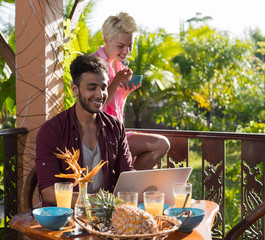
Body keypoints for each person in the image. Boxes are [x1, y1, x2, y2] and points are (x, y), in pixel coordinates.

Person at [35, 55, 134, 207]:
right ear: (75, 89)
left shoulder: (115, 127)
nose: (100, 95)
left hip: (105, 216)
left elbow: (127, 175)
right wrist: (92, 201)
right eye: (92, 88)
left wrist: (151, 183)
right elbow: (48, 192)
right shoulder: (52, 130)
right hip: (67, 219)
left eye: (103, 87)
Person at [92, 12, 170, 170]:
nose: (126, 51)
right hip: (99, 137)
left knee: (162, 144)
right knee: (161, 144)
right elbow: (96, 104)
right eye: (121, 46)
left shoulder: (119, 66)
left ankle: (125, 184)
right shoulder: (94, 64)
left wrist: (125, 94)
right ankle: (126, 184)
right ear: (106, 40)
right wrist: (117, 81)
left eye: (130, 46)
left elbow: (114, 108)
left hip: (117, 133)